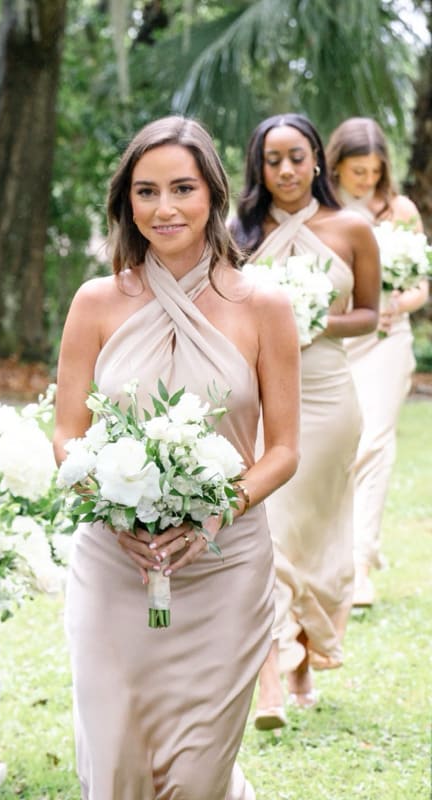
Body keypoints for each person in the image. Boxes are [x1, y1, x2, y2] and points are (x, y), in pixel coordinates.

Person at [55, 116, 300, 798]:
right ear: (125, 204)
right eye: (146, 191)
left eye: (183, 189)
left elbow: (283, 450)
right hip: (114, 560)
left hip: (224, 565)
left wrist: (220, 510)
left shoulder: (265, 305)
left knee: (196, 772)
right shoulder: (95, 302)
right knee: (118, 756)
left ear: (214, 195)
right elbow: (68, 434)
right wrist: (109, 506)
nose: (164, 208)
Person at [230, 113, 380, 729]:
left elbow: (370, 314)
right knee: (268, 532)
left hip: (327, 396)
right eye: (273, 160)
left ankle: (301, 665)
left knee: (311, 536)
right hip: (258, 398)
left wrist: (311, 319)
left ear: (318, 160)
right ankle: (269, 681)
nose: (286, 170)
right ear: (258, 168)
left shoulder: (352, 228)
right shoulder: (238, 232)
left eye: (297, 157)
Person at [326, 116, 430, 607]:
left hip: (388, 339)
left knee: (376, 442)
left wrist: (396, 304)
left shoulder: (399, 210)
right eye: (356, 171)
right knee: (341, 446)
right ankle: (335, 557)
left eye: (373, 171)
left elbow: (420, 285)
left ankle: (362, 564)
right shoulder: (322, 210)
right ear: (337, 168)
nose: (366, 180)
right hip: (340, 341)